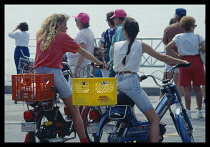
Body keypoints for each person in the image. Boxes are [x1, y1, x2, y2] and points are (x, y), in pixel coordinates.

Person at [112, 17, 189, 142]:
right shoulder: (141, 45)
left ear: (124, 31)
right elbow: (162, 58)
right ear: (138, 32)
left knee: (129, 112)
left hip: (118, 82)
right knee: (154, 119)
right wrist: (183, 61)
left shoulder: (116, 45)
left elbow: (120, 64)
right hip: (131, 83)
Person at [32, 13, 103, 143]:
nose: (67, 27)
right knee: (75, 109)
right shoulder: (62, 37)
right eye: (65, 24)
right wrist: (98, 62)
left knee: (49, 101)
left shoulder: (41, 36)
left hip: (39, 74)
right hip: (54, 73)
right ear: (58, 25)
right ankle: (83, 140)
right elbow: (83, 51)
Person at [165, 16, 205, 119]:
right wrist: (199, 48)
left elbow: (167, 47)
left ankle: (188, 111)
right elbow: (204, 48)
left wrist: (176, 55)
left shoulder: (179, 37)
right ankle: (200, 111)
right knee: (197, 88)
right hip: (197, 61)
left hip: (184, 61)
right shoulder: (198, 36)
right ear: (192, 26)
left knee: (186, 88)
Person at [161, 8, 187, 99]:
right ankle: (179, 104)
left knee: (166, 82)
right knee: (179, 83)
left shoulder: (169, 28)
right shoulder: (187, 29)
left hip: (170, 59)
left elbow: (165, 42)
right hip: (183, 59)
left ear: (176, 17)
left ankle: (161, 102)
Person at [67, 12, 95, 80]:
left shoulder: (82, 33)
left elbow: (82, 52)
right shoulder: (89, 31)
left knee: (74, 87)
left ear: (80, 22)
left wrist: (76, 69)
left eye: (76, 20)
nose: (75, 22)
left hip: (80, 66)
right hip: (85, 65)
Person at [8, 22, 30, 104]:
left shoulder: (17, 33)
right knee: (26, 70)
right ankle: (25, 92)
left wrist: (15, 28)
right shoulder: (27, 34)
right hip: (26, 50)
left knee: (19, 70)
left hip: (19, 50)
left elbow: (9, 34)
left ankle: (18, 92)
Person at [107, 9, 127, 77]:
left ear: (118, 19)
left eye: (114, 19)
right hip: (119, 65)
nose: (113, 21)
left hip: (116, 65)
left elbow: (118, 48)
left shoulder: (119, 29)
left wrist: (112, 63)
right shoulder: (124, 28)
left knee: (111, 84)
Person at [97, 11, 116, 77]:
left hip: (107, 60)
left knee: (107, 80)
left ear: (107, 21)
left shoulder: (106, 32)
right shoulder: (121, 31)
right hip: (117, 60)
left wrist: (98, 62)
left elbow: (100, 47)